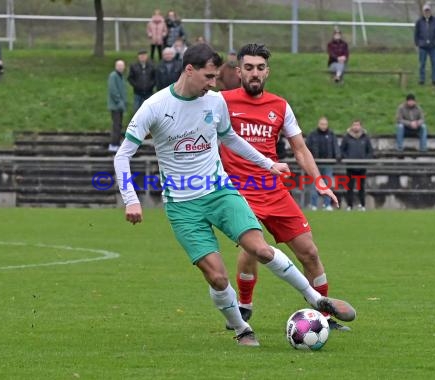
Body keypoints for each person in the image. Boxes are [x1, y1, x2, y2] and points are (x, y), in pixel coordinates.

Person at [113, 43, 356, 346]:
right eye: (209, 77)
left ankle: (315, 299)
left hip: (220, 192)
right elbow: (122, 155)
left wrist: (268, 164)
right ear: (189, 70)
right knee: (217, 277)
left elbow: (231, 138)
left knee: (262, 249)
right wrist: (131, 198)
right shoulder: (154, 106)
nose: (214, 84)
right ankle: (242, 328)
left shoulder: (213, 102)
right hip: (183, 205)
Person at [220, 43, 351, 332]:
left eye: (260, 68)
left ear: (268, 71)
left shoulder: (280, 106)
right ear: (238, 70)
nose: (255, 73)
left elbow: (300, 149)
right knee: (252, 249)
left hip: (274, 191)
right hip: (240, 192)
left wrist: (319, 181)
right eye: (249, 68)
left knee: (310, 252)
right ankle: (245, 306)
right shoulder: (221, 102)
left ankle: (324, 312)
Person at [306, 117, 339, 211]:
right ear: (318, 124)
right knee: (314, 184)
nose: (323, 126)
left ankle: (327, 204)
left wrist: (337, 156)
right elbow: (307, 147)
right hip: (315, 163)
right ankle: (313, 204)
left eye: (325, 124)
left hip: (328, 163)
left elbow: (335, 146)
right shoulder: (312, 135)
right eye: (321, 124)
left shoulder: (331, 135)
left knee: (327, 183)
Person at [340, 120, 373, 211]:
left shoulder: (365, 137)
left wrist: (365, 160)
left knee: (361, 187)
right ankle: (349, 205)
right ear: (351, 126)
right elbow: (342, 150)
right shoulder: (347, 137)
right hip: (350, 166)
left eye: (358, 125)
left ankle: (362, 205)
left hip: (362, 167)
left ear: (361, 126)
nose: (356, 127)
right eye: (354, 125)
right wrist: (347, 158)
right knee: (349, 187)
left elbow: (370, 151)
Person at [414, 3, 435, 86]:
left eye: (428, 11)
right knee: (422, 64)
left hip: (433, 46)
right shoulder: (419, 22)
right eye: (425, 11)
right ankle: (422, 79)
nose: (427, 12)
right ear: (423, 12)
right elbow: (416, 34)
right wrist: (417, 44)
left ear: (430, 11)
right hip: (422, 46)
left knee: (434, 63)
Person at [107, 59, 128, 152]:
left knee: (119, 125)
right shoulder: (113, 76)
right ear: (116, 66)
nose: (120, 67)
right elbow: (113, 90)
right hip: (115, 106)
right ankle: (113, 144)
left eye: (122, 66)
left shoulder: (121, 76)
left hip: (120, 105)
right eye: (119, 66)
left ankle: (117, 142)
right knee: (116, 125)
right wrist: (119, 101)